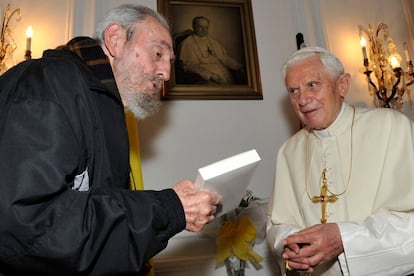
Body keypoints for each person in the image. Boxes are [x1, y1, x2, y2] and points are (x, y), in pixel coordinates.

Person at [0, 4, 221, 275]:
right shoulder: (47, 84)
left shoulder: (97, 100)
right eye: (158, 53)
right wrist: (169, 208)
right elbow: (31, 225)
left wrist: (170, 207)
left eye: (170, 62)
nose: (166, 73)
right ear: (115, 38)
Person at [266, 46, 414, 275]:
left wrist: (344, 238)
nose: (302, 99)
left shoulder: (392, 127)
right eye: (293, 91)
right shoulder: (288, 152)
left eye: (312, 85)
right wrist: (291, 243)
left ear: (342, 85)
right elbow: (277, 224)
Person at [177, 16, 244, 85]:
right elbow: (189, 66)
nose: (204, 30)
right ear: (193, 26)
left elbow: (224, 58)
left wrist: (238, 66)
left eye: (206, 27)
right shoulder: (187, 43)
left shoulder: (213, 42)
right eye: (200, 27)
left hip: (222, 73)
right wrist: (210, 75)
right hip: (203, 77)